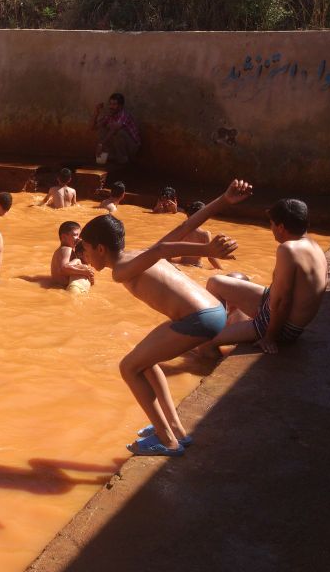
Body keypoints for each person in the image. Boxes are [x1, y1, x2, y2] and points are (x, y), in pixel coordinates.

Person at [79, 179, 249, 456]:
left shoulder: (121, 270)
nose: (84, 255)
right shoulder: (138, 255)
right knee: (145, 361)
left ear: (100, 249)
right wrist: (223, 200)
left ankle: (166, 440)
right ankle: (176, 430)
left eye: (85, 248)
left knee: (128, 368)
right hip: (213, 311)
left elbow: (163, 250)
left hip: (201, 318)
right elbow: (184, 229)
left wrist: (207, 252)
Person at [196, 197, 328, 355]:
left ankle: (214, 357)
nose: (270, 228)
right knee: (214, 282)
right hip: (273, 307)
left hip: (282, 326)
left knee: (203, 342)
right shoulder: (314, 246)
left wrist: (269, 337)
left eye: (271, 224)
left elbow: (282, 302)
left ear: (280, 227)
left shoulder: (288, 249)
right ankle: (225, 329)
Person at [168, 201, 223, 269]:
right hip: (195, 266)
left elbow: (169, 249)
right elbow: (211, 258)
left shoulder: (182, 230)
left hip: (181, 264)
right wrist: (221, 270)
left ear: (188, 214)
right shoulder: (205, 234)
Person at [92, 92, 140, 164]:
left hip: (132, 147)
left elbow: (115, 129)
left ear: (120, 106)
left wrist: (100, 144)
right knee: (102, 130)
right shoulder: (110, 115)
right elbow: (93, 128)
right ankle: (112, 157)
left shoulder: (125, 115)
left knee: (119, 132)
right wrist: (96, 112)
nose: (111, 106)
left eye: (114, 104)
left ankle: (124, 160)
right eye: (110, 104)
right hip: (118, 147)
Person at [51, 221, 95, 290]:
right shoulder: (67, 249)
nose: (78, 238)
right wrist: (84, 272)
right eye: (75, 235)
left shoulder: (60, 250)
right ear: (64, 237)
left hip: (57, 288)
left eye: (79, 235)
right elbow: (64, 269)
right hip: (64, 288)